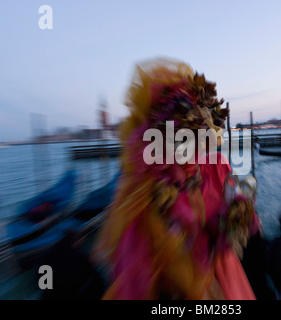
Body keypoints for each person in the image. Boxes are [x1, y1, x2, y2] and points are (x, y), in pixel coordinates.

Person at [93, 58, 259, 300]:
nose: (191, 144)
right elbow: (139, 273)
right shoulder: (144, 193)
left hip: (225, 280)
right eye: (179, 135)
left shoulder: (216, 169)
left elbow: (241, 215)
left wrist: (236, 221)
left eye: (197, 133)